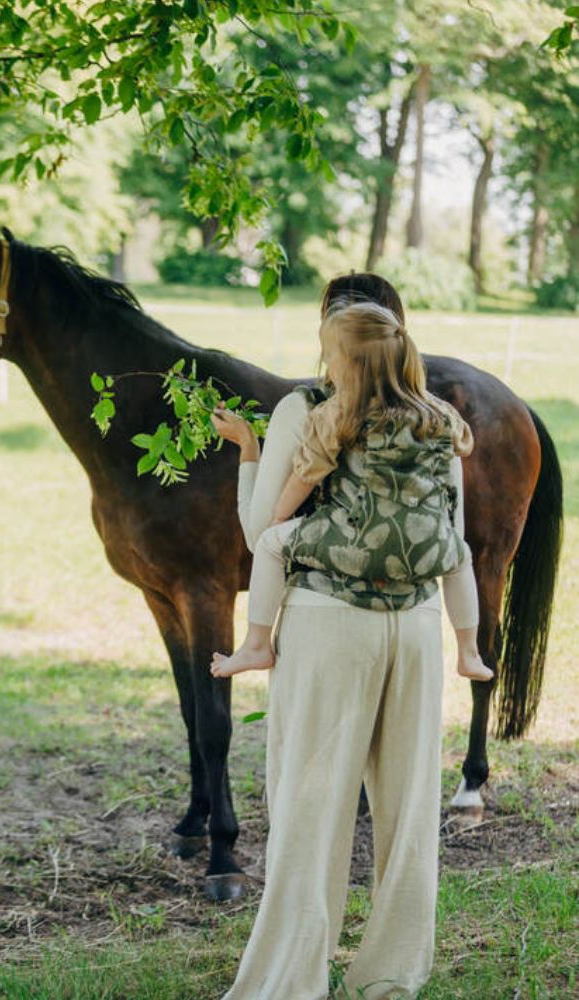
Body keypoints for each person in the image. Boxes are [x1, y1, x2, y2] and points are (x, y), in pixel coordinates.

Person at [210, 273, 465, 1000]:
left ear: (331, 338)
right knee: (410, 810)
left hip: (331, 626)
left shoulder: (310, 406)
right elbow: (450, 534)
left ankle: (291, 982)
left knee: (310, 807)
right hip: (417, 629)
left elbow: (263, 531)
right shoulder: (437, 416)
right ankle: (391, 977)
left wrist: (251, 448)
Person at [211, 298, 492, 684]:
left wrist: (278, 516)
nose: (327, 366)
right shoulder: (438, 413)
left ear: (351, 365)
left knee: (272, 545)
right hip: (425, 545)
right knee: (461, 558)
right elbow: (464, 444)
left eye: (330, 357)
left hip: (358, 539)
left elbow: (307, 472)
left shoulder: (338, 412)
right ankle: (469, 652)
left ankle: (257, 644)